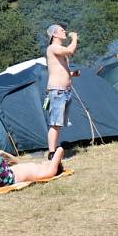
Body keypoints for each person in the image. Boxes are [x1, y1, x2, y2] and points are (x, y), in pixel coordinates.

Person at [46, 24, 78, 159]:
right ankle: (52, 153)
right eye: (61, 30)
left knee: (58, 124)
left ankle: (55, 150)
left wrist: (72, 74)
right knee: (55, 123)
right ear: (54, 34)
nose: (64, 31)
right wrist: (75, 37)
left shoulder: (59, 50)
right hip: (58, 91)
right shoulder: (53, 47)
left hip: (65, 91)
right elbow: (70, 51)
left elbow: (58, 70)